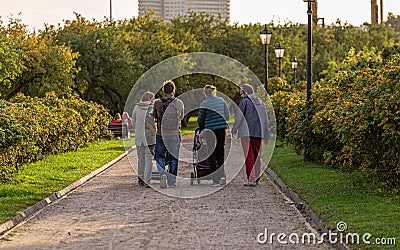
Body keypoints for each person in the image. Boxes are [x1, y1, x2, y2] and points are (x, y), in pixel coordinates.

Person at [231, 84, 270, 187]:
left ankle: (251, 179)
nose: (240, 95)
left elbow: (239, 117)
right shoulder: (262, 103)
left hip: (246, 133)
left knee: (249, 156)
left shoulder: (245, 102)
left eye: (241, 93)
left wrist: (234, 129)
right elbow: (266, 120)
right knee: (257, 156)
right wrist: (266, 135)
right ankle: (257, 177)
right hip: (258, 133)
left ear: (246, 92)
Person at [153, 80, 184, 188]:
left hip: (161, 134)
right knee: (173, 158)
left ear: (163, 90)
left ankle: (162, 175)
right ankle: (172, 182)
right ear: (173, 91)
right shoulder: (179, 103)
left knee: (160, 156)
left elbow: (155, 116)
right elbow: (181, 117)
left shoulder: (157, 102)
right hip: (174, 134)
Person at [197, 85, 230, 187]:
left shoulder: (204, 103)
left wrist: (201, 126)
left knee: (211, 153)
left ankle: (215, 180)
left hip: (210, 130)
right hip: (221, 129)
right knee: (220, 151)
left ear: (205, 93)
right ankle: (222, 177)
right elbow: (227, 115)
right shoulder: (221, 100)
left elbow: (200, 119)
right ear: (214, 92)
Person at [131, 92, 156, 187]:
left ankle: (140, 178)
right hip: (149, 136)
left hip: (139, 136)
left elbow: (133, 122)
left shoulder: (136, 108)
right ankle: (147, 180)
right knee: (149, 159)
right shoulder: (152, 108)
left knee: (140, 159)